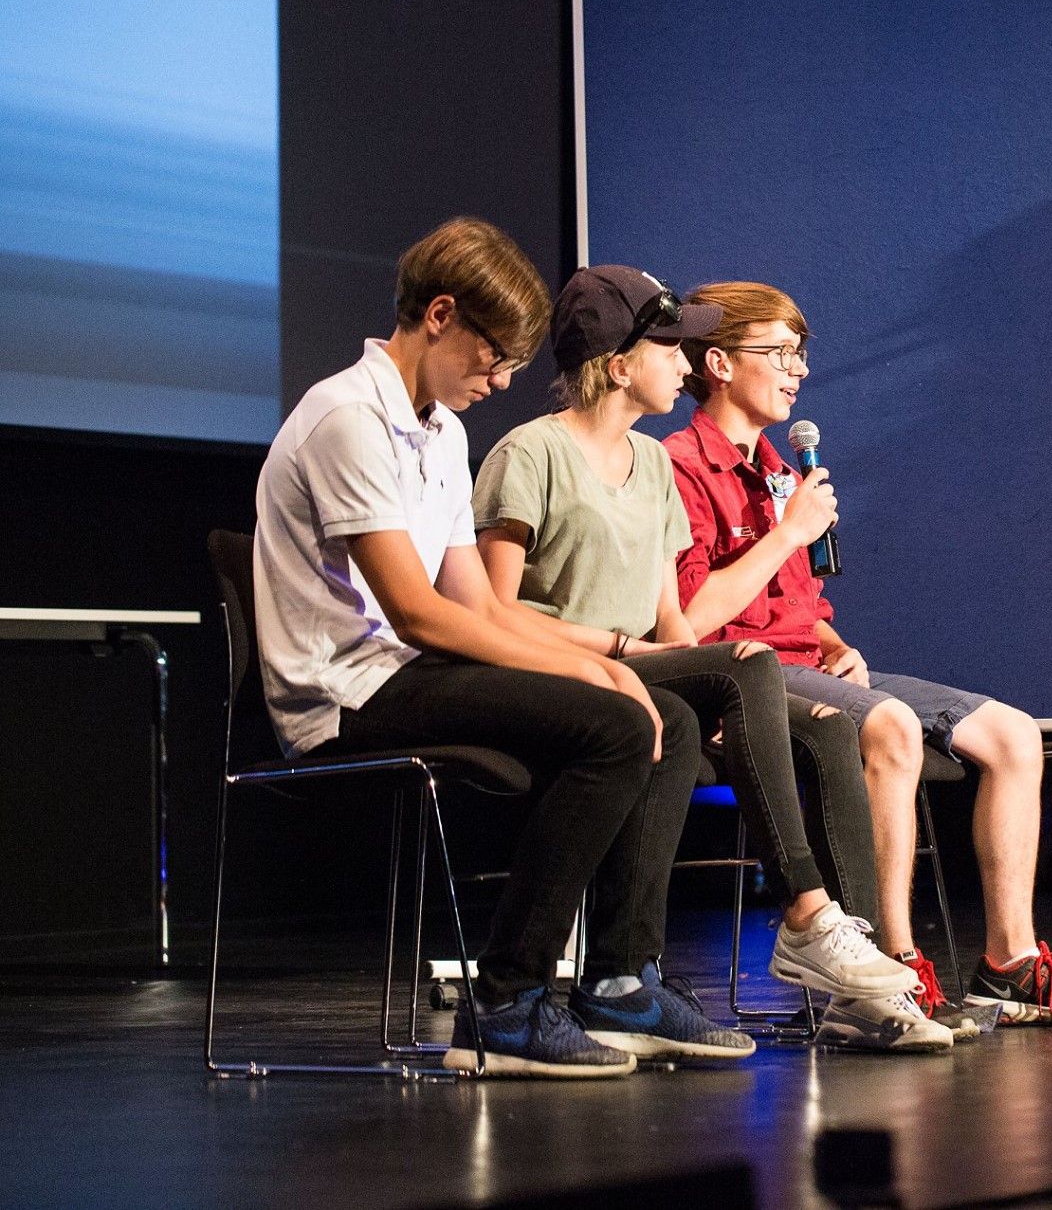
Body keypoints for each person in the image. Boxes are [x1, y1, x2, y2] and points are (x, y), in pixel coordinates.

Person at [253, 218, 723, 1078]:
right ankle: (507, 1002)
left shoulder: (442, 432)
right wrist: (584, 668)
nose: (502, 379)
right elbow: (418, 613)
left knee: (671, 718)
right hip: (347, 691)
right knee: (617, 727)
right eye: (494, 355)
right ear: (440, 315)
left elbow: (477, 604)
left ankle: (621, 980)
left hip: (408, 671)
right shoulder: (348, 417)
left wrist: (607, 667)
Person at [472, 264, 936, 1050]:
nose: (683, 364)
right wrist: (625, 651)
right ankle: (806, 912)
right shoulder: (531, 453)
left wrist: (724, 704)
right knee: (745, 662)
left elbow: (674, 628)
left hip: (642, 662)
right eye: (667, 348)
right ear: (620, 365)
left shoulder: (649, 464)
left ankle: (847, 990)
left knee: (821, 722)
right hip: (564, 666)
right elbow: (495, 612)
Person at [663, 280, 1052, 1034]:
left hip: (807, 662)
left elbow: (802, 606)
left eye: (800, 353)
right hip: (742, 676)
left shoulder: (783, 469)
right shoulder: (679, 466)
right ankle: (892, 965)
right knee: (891, 726)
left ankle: (1008, 962)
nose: (797, 369)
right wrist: (788, 532)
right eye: (779, 352)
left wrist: (837, 644)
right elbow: (688, 618)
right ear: (718, 363)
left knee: (1014, 735)